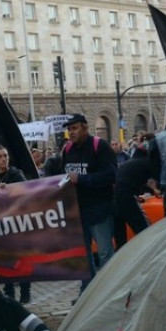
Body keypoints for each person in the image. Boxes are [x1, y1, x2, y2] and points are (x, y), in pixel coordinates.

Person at [57, 114, 116, 292]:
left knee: (105, 252)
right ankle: (88, 292)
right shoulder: (67, 150)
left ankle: (108, 291)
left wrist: (82, 179)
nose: (71, 133)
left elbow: (111, 175)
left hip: (99, 208)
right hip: (78, 210)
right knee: (83, 254)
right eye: (69, 130)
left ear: (85, 128)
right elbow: (62, 176)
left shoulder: (100, 146)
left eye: (74, 128)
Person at [0, 144, 31, 304]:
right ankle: (8, 292)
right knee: (5, 260)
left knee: (20, 258)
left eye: (5, 156)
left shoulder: (16, 174)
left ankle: (25, 291)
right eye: (0, 157)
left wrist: (9, 190)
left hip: (16, 224)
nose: (4, 159)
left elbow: (26, 192)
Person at [113, 142, 156, 248]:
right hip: (126, 197)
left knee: (120, 234)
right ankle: (149, 250)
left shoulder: (130, 162)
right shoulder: (147, 163)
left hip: (115, 197)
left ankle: (120, 257)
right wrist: (153, 190)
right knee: (141, 228)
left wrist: (150, 190)